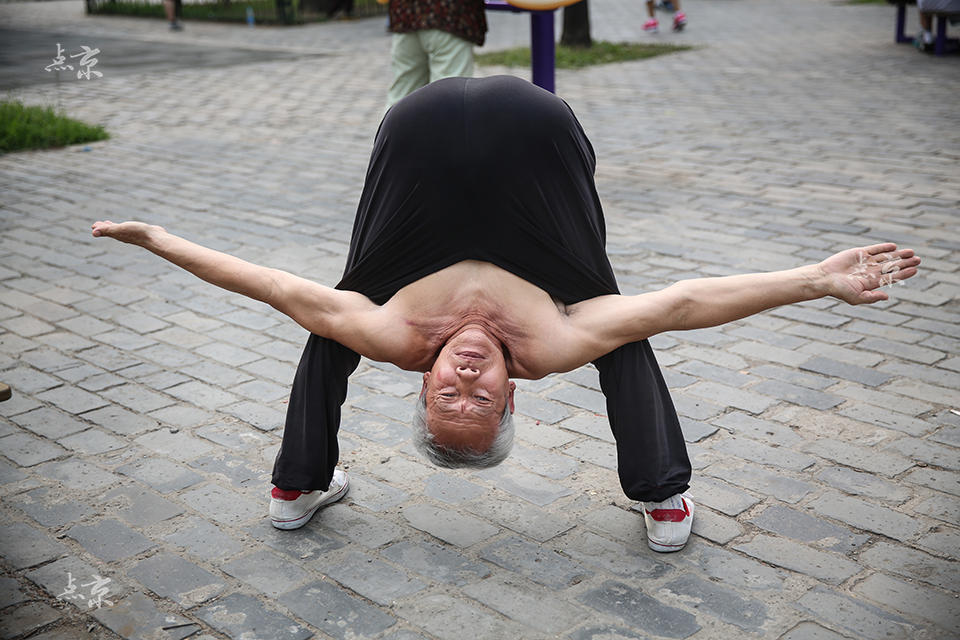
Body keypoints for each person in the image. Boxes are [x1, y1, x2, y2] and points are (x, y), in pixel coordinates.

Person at [91, 76, 919, 553]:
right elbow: (687, 304)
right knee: (622, 317)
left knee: (329, 315)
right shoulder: (550, 344)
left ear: (418, 387)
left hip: (416, 139)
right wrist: (815, 278)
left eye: (446, 398)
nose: (465, 383)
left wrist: (161, 239)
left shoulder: (393, 336)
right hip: (534, 137)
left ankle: (294, 481)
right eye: (479, 404)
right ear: (512, 394)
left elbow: (271, 284)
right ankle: (662, 498)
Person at [385, 0, 486, 108]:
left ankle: (392, 124)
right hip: (450, 17)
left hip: (405, 16)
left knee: (402, 97)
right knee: (448, 97)